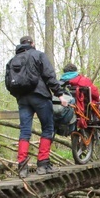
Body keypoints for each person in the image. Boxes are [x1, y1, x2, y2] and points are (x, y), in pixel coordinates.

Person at [13, 36, 69, 178]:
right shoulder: (38, 55)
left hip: (22, 99)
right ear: (32, 44)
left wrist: (19, 96)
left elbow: (9, 83)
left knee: (25, 131)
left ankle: (22, 167)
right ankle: (43, 165)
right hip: (40, 96)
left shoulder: (13, 60)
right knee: (48, 128)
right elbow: (49, 75)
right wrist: (60, 94)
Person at [60, 63, 100, 142]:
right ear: (75, 71)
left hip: (67, 109)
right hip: (84, 109)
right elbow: (96, 94)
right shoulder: (82, 80)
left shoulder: (60, 83)